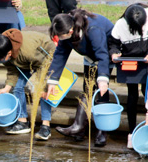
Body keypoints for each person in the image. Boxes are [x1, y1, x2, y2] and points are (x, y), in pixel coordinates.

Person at [46, 9, 114, 146]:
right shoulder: (66, 30)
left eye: (60, 36)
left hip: (106, 52)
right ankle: (80, 128)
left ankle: (102, 131)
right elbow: (60, 55)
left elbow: (102, 55)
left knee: (100, 92)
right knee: (87, 89)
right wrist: (52, 81)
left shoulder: (93, 29)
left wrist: (103, 79)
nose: (59, 38)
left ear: (70, 31)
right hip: (90, 56)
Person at [108, 3, 148, 148]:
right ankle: (131, 132)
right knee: (132, 96)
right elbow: (112, 44)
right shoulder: (120, 25)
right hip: (130, 64)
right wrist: (114, 53)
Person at [0, 29, 56, 140]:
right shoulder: (3, 50)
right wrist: (7, 87)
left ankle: (46, 126)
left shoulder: (28, 51)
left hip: (46, 59)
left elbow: (43, 66)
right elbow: (12, 70)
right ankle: (22, 121)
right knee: (18, 87)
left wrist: (40, 87)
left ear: (9, 53)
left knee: (41, 91)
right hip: (26, 62)